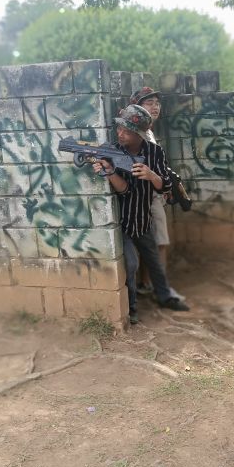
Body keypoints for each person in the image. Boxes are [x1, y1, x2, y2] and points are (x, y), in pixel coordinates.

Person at [92, 104, 189, 324]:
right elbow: (125, 190)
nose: (120, 134)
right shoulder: (113, 151)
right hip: (123, 222)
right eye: (119, 129)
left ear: (139, 135)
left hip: (143, 219)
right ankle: (132, 308)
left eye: (126, 131)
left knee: (154, 261)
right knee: (131, 264)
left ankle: (165, 297)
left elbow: (166, 187)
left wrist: (152, 175)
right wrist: (107, 171)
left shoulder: (155, 152)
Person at [128, 87, 183, 300]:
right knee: (160, 243)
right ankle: (163, 290)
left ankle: (146, 283)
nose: (155, 107)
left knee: (150, 243)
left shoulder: (146, 131)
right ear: (136, 107)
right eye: (149, 103)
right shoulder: (139, 133)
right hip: (148, 196)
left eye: (157, 103)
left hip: (150, 194)